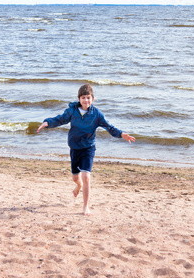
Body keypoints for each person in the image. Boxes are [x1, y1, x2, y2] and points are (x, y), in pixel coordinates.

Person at [37, 83, 135, 216]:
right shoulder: (72, 111)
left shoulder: (97, 114)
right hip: (75, 147)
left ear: (92, 99)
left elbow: (109, 127)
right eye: (83, 98)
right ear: (79, 99)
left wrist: (122, 134)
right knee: (75, 178)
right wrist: (47, 122)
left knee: (86, 176)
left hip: (89, 148)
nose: (86, 100)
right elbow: (60, 119)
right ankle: (79, 186)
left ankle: (85, 207)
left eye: (88, 98)